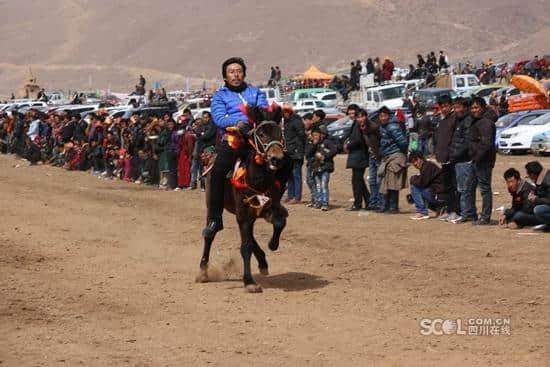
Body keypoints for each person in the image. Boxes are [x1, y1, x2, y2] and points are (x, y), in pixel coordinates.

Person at [203, 57, 268, 238]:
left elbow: (264, 111)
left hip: (255, 140)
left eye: (238, 71)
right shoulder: (220, 96)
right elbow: (219, 119)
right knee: (217, 173)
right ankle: (215, 219)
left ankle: (274, 204)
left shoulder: (255, 92)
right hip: (233, 141)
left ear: (244, 73)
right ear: (225, 76)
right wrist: (238, 122)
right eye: (231, 72)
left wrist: (255, 119)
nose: (235, 75)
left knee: (278, 162)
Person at [468, 97, 496, 225]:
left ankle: (485, 217)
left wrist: (477, 158)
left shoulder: (485, 123)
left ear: (483, 108)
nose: (474, 110)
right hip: (476, 160)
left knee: (485, 189)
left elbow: (486, 143)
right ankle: (472, 214)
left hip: (483, 161)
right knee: (470, 187)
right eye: (472, 108)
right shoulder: (477, 121)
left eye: (476, 107)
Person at [448, 97, 477, 224]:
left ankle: (467, 214)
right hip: (458, 160)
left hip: (464, 160)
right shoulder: (459, 121)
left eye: (458, 107)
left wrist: (455, 155)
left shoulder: (467, 121)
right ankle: (467, 212)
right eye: (455, 107)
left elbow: (466, 143)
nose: (456, 110)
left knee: (466, 189)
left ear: (465, 108)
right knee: (462, 188)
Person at [377, 106, 408, 213]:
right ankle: (386, 206)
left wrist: (400, 154)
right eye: (380, 116)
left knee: (393, 183)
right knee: (386, 182)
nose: (382, 118)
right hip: (388, 156)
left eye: (384, 116)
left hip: (395, 156)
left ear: (389, 116)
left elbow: (403, 142)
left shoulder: (392, 127)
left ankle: (393, 207)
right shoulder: (384, 127)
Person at [433, 95, 459, 221]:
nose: (443, 109)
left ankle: (455, 210)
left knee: (455, 186)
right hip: (443, 159)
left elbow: (454, 140)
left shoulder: (455, 119)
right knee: (446, 186)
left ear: (451, 105)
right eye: (441, 107)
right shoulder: (442, 121)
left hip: (453, 158)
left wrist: (452, 154)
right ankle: (448, 210)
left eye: (445, 106)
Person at [305, 125, 337, 211]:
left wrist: (324, 156)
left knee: (324, 185)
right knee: (318, 185)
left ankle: (325, 203)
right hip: (315, 168)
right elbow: (307, 154)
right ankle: (318, 202)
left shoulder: (326, 142)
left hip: (325, 167)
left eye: (317, 135)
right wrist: (313, 145)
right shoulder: (311, 144)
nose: (315, 137)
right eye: (313, 135)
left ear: (320, 135)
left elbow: (334, 150)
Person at [408, 151, 446, 220]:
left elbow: (421, 183)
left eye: (415, 160)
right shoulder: (426, 165)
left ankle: (422, 212)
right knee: (415, 193)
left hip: (440, 195)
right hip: (440, 194)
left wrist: (412, 178)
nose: (415, 164)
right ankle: (440, 209)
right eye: (412, 162)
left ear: (420, 159)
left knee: (414, 187)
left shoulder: (427, 166)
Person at [345, 108, 370, 210]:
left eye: (353, 113)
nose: (351, 115)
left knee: (356, 181)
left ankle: (358, 203)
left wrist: (348, 146)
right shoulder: (355, 124)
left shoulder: (360, 125)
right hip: (357, 155)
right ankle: (368, 200)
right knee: (358, 180)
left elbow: (359, 140)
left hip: (359, 156)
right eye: (349, 113)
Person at [282, 105, 306, 204]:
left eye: (285, 112)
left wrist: (298, 149)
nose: (284, 115)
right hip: (288, 152)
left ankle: (297, 197)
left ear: (289, 112)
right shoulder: (287, 122)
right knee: (289, 175)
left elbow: (302, 136)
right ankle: (290, 195)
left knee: (296, 175)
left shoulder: (296, 122)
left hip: (296, 152)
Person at [525, 161, 550, 232]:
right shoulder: (543, 176)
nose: (528, 176)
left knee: (538, 210)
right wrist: (534, 191)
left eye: (528, 174)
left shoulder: (547, 181)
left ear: (533, 174)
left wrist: (536, 199)